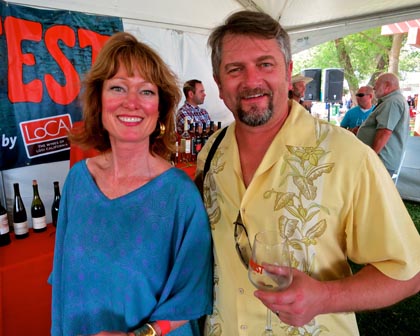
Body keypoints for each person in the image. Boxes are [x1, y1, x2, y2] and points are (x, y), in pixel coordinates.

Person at [196, 10, 420, 336]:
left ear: (288, 73)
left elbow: (408, 271)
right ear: (218, 82)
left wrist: (325, 297)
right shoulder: (211, 153)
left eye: (265, 64)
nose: (251, 80)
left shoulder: (347, 156)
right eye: (235, 69)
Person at [49, 32, 213, 336]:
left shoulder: (179, 194)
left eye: (146, 92)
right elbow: (63, 281)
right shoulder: (78, 181)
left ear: (160, 108)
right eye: (117, 88)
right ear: (99, 100)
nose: (131, 103)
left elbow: (192, 295)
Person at [357, 73, 410, 176]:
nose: (374, 87)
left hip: (381, 160)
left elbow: (385, 132)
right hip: (381, 160)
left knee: (371, 191)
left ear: (386, 85)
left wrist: (371, 157)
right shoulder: (393, 100)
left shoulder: (392, 102)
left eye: (376, 84)